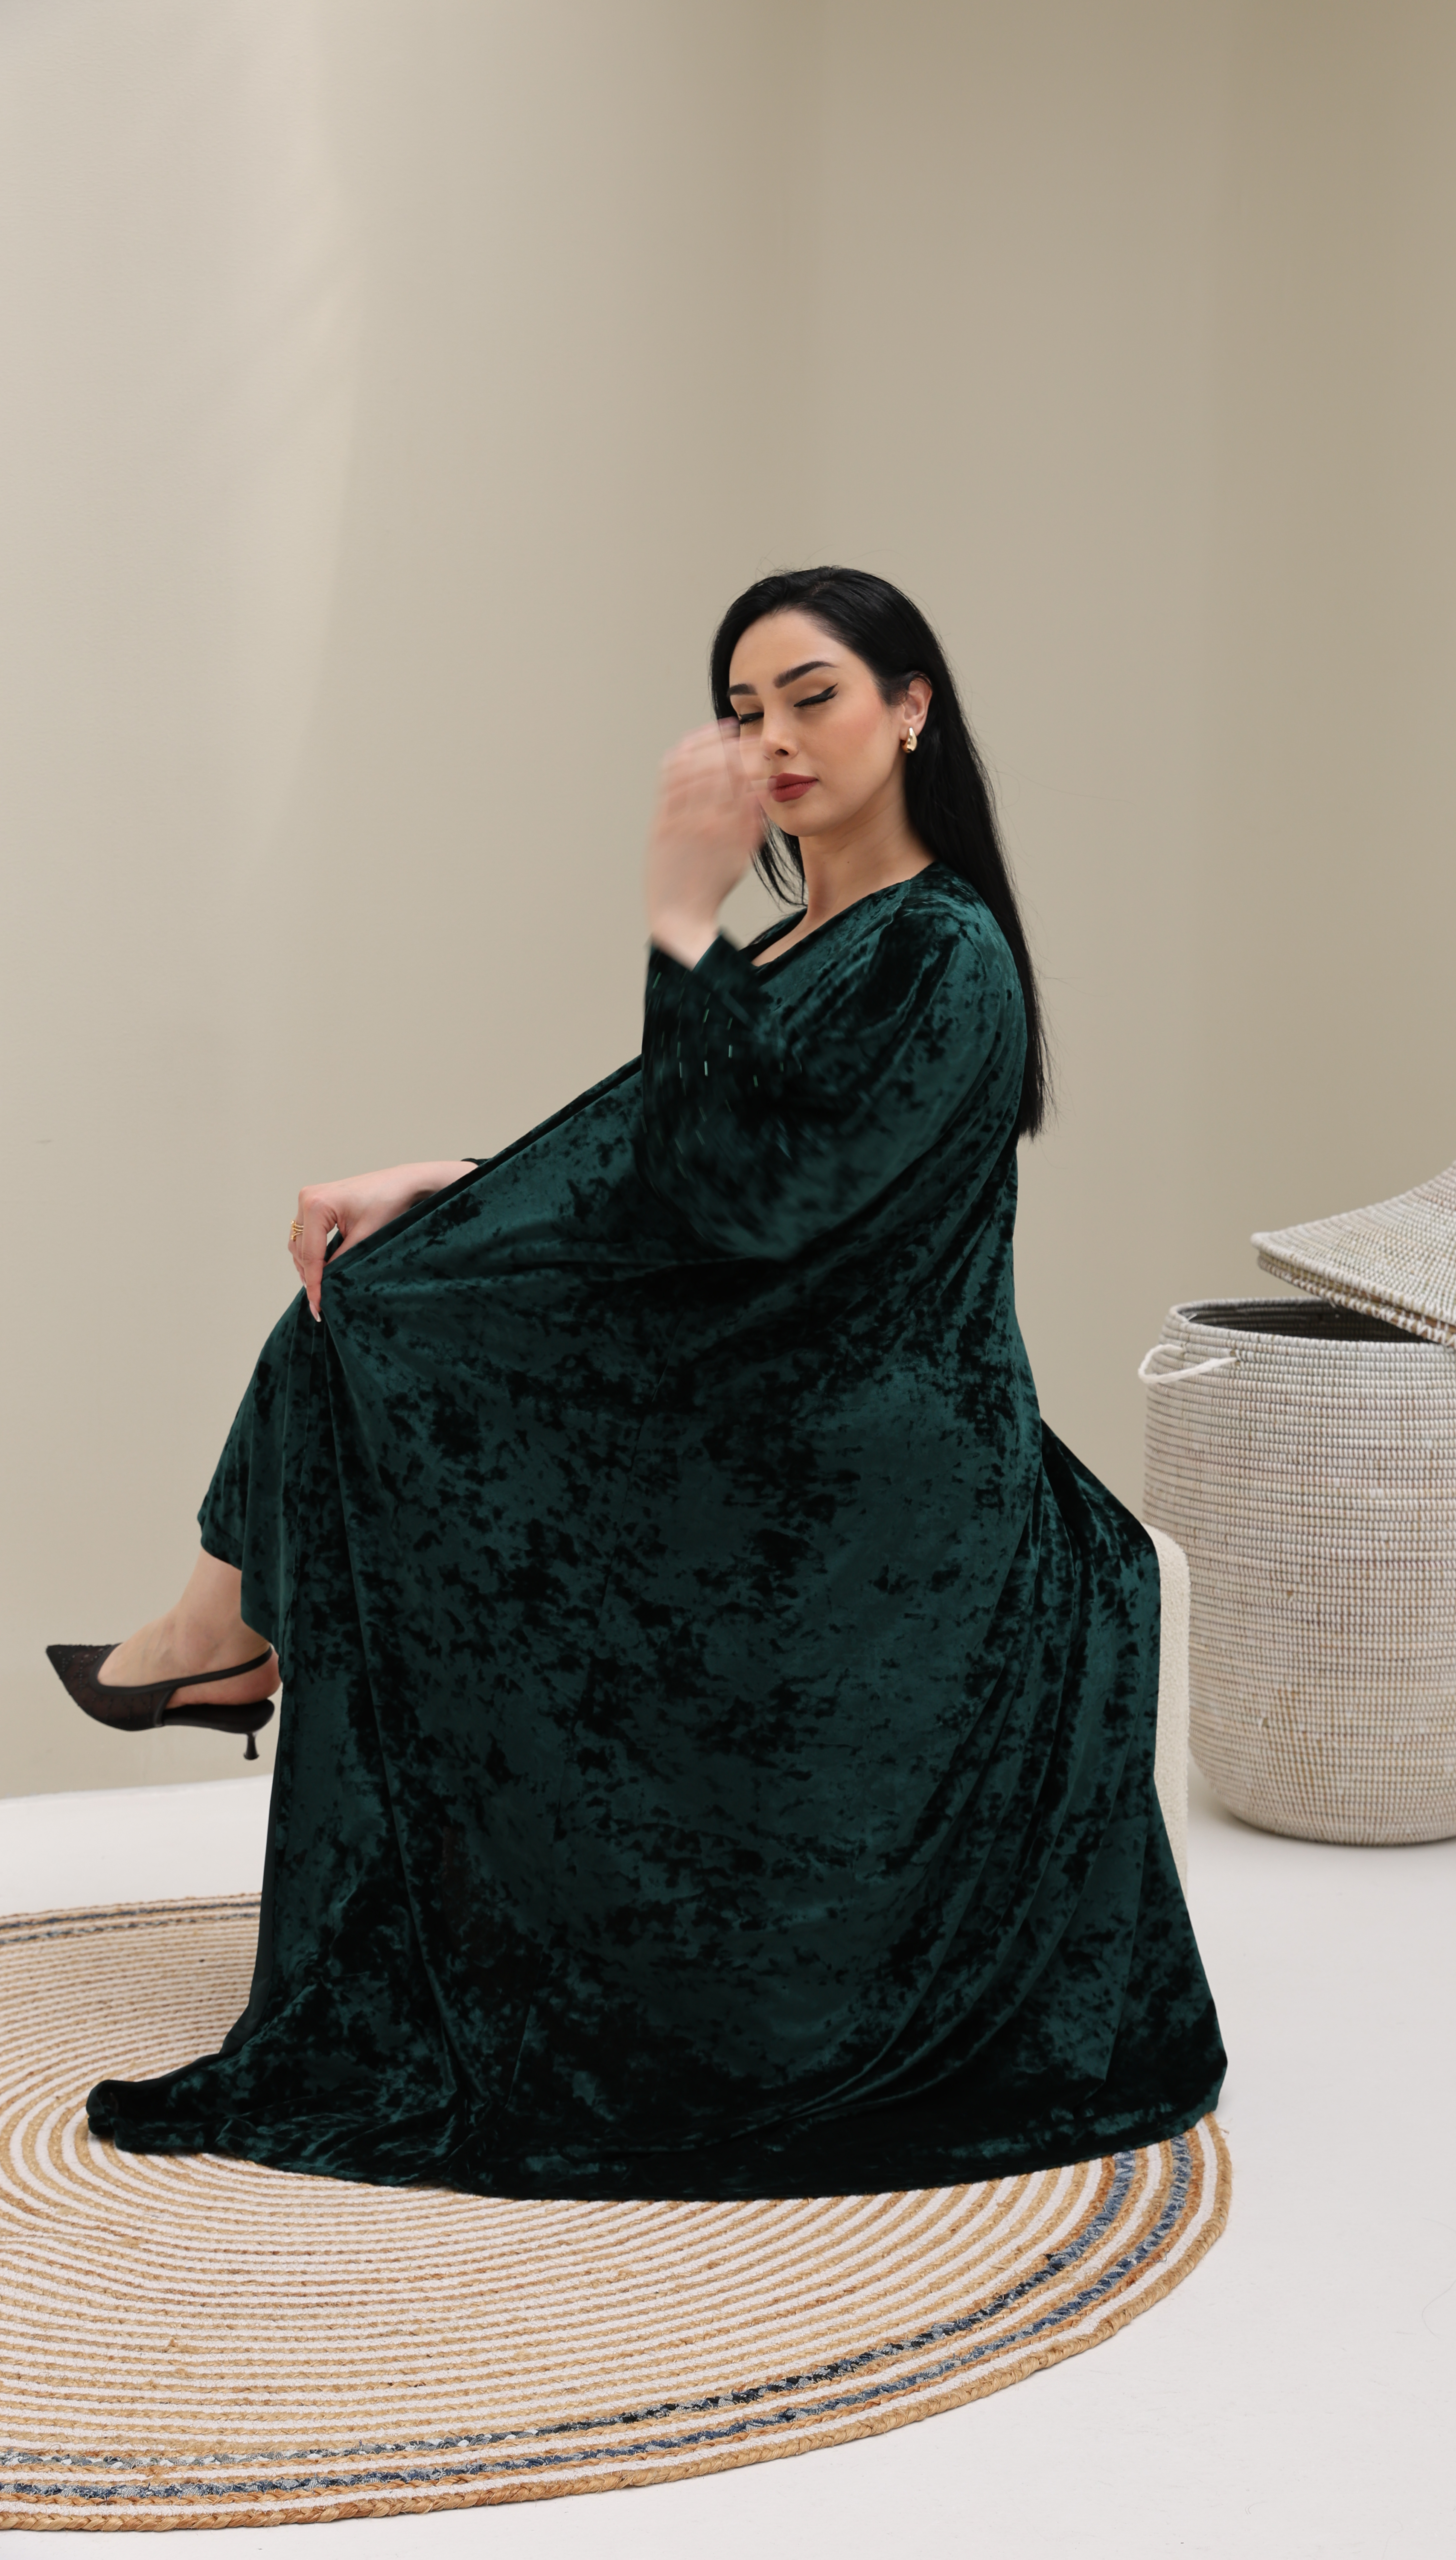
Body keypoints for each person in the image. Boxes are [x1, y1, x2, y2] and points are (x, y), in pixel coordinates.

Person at [48, 567, 1225, 2200]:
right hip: (770, 1394)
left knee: (382, 1327)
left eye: (812, 696)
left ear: (910, 707)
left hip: (865, 1455)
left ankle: (222, 1637)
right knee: (365, 1297)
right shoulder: (811, 938)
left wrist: (678, 919)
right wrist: (456, 1180)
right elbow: (661, 1182)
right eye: (742, 711)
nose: (773, 739)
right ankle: (220, 1634)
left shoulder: (942, 951)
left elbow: (755, 1211)